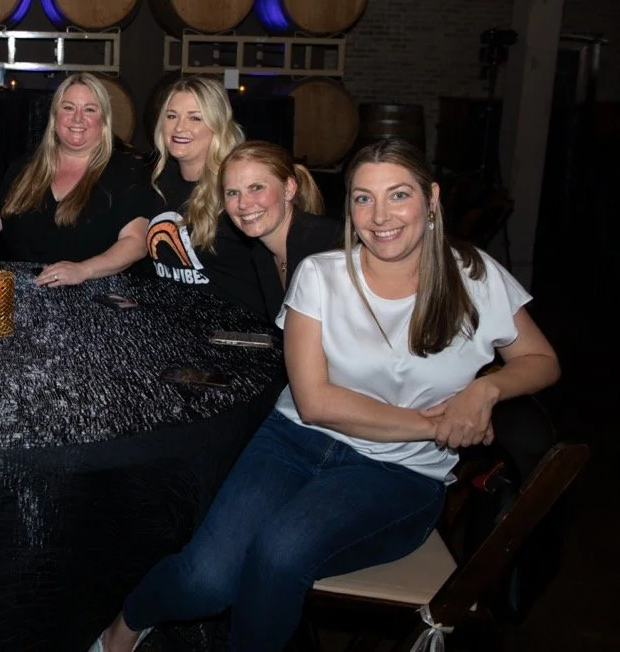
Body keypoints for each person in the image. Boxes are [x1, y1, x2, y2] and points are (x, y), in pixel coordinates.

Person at [93, 137, 560, 652]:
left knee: (278, 554)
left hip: (399, 474)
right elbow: (315, 403)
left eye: (398, 195)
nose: (380, 216)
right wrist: (438, 424)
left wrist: (487, 388)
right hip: (295, 441)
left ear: (431, 199)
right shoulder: (322, 274)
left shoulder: (473, 276)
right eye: (363, 198)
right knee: (205, 578)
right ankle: (123, 629)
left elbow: (542, 361)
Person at [0, 73, 149, 286]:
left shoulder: (126, 171)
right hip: (27, 294)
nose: (77, 118)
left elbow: (136, 242)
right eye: (68, 107)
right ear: (54, 116)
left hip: (96, 298)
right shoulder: (27, 166)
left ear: (104, 120)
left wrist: (84, 270)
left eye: (89, 109)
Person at [143, 75, 263, 314]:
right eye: (171, 116)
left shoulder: (236, 187)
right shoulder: (157, 181)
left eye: (195, 118)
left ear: (217, 126)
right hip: (175, 324)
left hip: (235, 331)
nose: (179, 127)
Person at [219, 140, 343, 320]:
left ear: (288, 189)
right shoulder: (261, 252)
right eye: (232, 193)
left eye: (256, 187)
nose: (243, 203)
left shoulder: (324, 246)